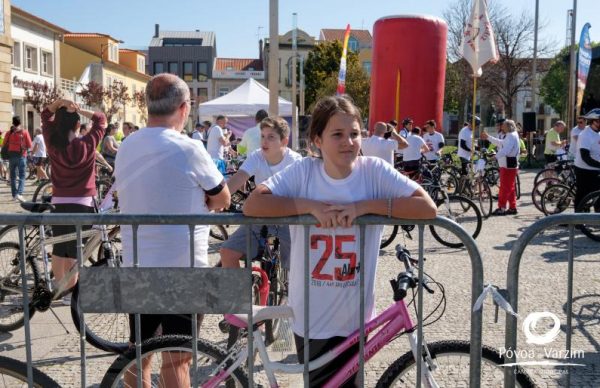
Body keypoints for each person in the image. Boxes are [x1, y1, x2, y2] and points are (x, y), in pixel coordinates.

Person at [243, 95, 436, 387]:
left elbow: (427, 208)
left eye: (355, 134)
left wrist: (365, 207)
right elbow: (253, 204)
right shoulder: (305, 171)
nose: (349, 142)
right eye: (338, 134)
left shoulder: (373, 170)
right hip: (312, 316)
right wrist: (308, 206)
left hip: (355, 316)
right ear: (318, 140)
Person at [114, 73, 230, 387]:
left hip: (138, 264)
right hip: (183, 267)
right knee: (178, 358)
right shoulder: (188, 147)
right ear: (183, 107)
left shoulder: (127, 146)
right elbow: (222, 198)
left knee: (138, 351)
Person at [41, 99, 106, 305]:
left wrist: (59, 103)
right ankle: (72, 292)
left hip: (59, 202)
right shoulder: (88, 144)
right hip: (83, 203)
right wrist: (80, 109)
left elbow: (45, 116)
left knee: (60, 248)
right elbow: (101, 120)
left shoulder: (52, 142)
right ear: (78, 125)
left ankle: (61, 290)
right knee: (77, 249)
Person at [220, 116, 302, 269]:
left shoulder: (296, 161)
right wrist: (219, 199)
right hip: (261, 216)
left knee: (294, 267)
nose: (264, 141)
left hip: (288, 220)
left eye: (271, 137)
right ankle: (241, 292)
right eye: (263, 136)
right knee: (227, 252)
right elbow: (239, 178)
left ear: (284, 141)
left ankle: (290, 291)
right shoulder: (257, 156)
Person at [481, 119, 521, 215]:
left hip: (508, 164)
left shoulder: (511, 136)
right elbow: (501, 143)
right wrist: (488, 137)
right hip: (509, 164)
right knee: (510, 187)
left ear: (508, 127)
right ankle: (512, 207)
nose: (502, 127)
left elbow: (505, 149)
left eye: (503, 125)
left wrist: (495, 157)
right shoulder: (511, 135)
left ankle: (501, 207)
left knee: (504, 187)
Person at [573, 112, 600, 212]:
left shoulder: (597, 132)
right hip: (584, 169)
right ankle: (578, 221)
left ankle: (596, 214)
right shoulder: (585, 135)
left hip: (594, 168)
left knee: (596, 192)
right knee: (582, 194)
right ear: (594, 122)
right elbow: (585, 157)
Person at [5, 116, 32, 202]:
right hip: (21, 156)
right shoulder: (24, 132)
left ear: (13, 123)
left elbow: (4, 144)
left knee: (12, 177)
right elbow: (30, 145)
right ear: (20, 123)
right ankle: (19, 194)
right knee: (22, 176)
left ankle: (14, 195)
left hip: (11, 156)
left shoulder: (9, 133)